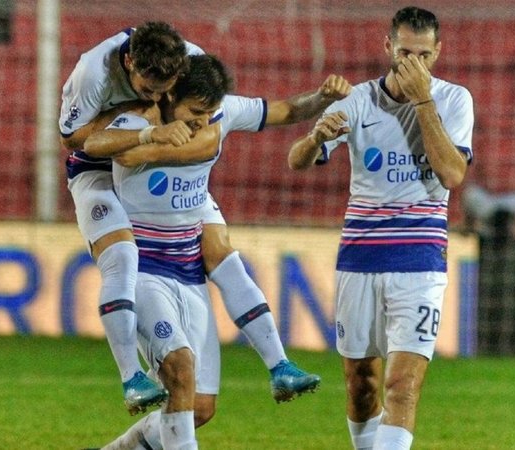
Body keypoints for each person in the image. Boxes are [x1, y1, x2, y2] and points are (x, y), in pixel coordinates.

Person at [81, 54, 352, 449]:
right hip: (146, 269)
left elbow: (287, 109)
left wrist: (323, 97)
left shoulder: (218, 113)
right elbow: (100, 144)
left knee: (200, 407)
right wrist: (150, 138)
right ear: (170, 94)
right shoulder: (138, 121)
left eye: (211, 114)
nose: (204, 121)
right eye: (195, 112)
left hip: (189, 272)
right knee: (179, 369)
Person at [287, 6, 473, 450]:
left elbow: (452, 175)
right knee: (361, 385)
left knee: (402, 386)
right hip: (360, 258)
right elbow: (297, 161)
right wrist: (315, 139)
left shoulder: (453, 100)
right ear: (387, 47)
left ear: (438, 53)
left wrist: (422, 100)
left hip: (419, 261)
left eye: (423, 56)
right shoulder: (357, 100)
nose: (413, 64)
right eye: (405, 53)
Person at [61, 21, 202, 414]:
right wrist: (133, 114)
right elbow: (71, 138)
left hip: (156, 170)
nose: (155, 98)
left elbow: (214, 115)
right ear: (128, 62)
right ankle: (132, 378)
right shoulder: (93, 70)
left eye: (163, 91)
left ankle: (274, 360)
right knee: (121, 257)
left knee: (217, 244)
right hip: (97, 170)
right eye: (146, 89)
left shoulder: (194, 60)